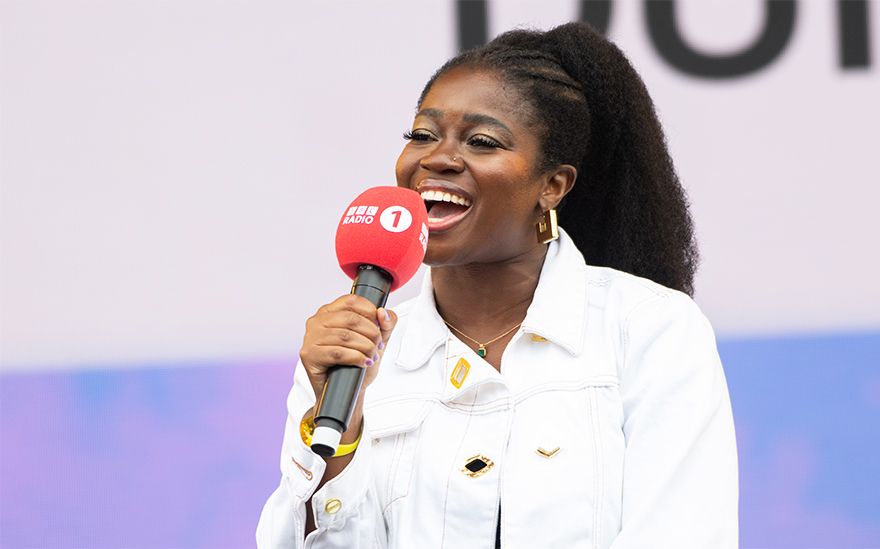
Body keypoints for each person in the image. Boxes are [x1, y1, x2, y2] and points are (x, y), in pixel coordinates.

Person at [258, 22, 737, 548]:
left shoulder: (649, 329)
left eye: (481, 141)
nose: (437, 158)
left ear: (553, 186)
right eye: (422, 134)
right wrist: (340, 437)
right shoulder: (355, 350)